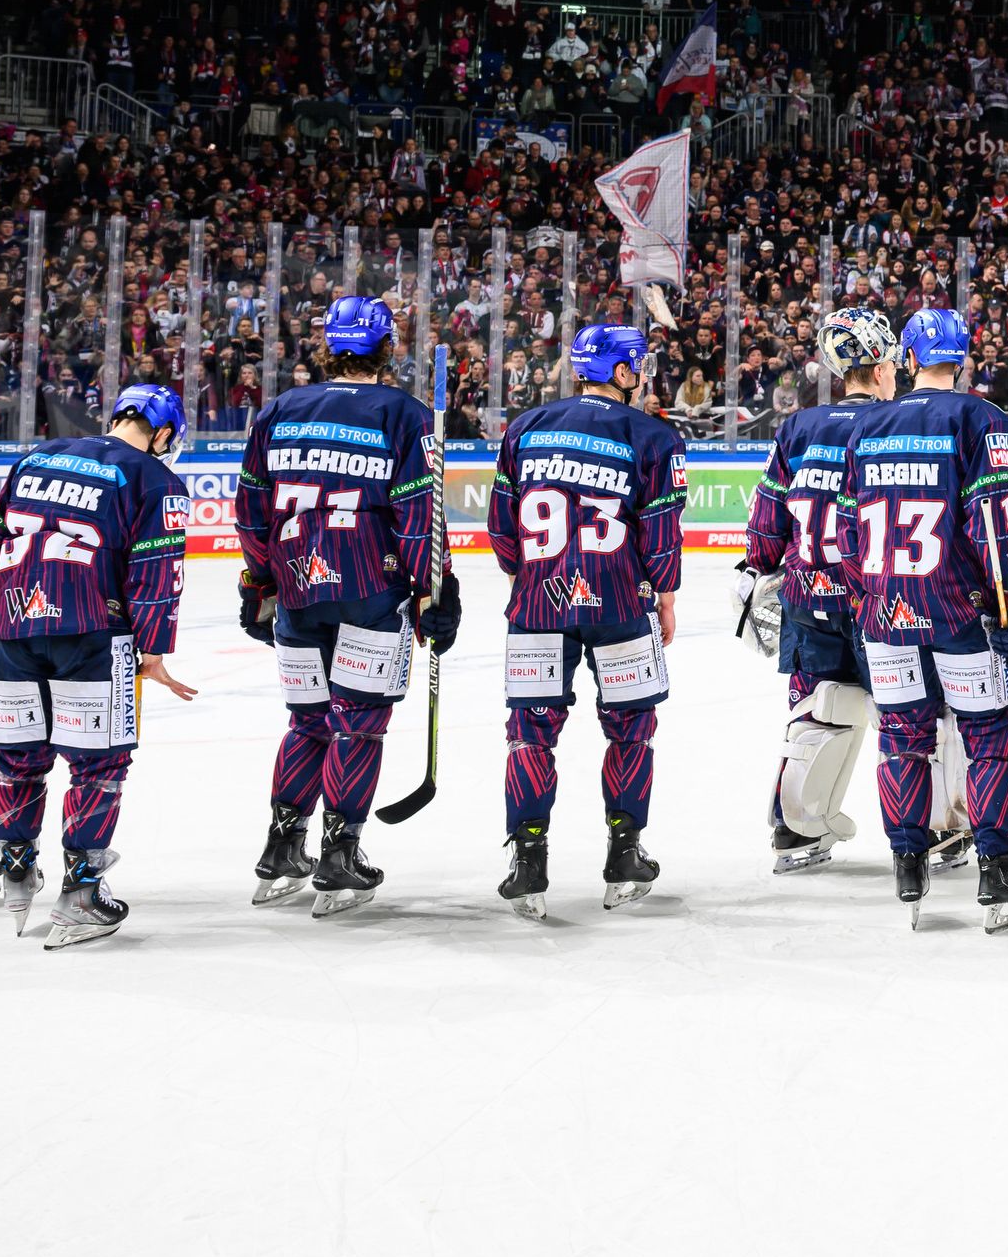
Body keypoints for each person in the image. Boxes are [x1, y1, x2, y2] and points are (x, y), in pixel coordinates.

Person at [231, 294, 455, 916]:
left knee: (307, 722)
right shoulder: (404, 414)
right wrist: (433, 588)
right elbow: (418, 517)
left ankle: (282, 846)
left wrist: (261, 581)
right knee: (357, 723)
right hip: (369, 592)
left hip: (297, 591)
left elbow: (250, 510)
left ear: (329, 346)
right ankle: (339, 853)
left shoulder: (278, 410)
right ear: (387, 348)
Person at [0, 384, 197, 947]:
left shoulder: (35, 458)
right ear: (164, 433)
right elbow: (156, 576)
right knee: (98, 768)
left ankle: (17, 873)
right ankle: (82, 894)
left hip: (15, 636)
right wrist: (152, 652)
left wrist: (14, 615)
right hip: (94, 638)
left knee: (17, 761)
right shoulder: (155, 479)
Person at [836, 304, 1008, 930]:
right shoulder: (982, 417)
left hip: (885, 609)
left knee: (901, 734)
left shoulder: (868, 425)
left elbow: (846, 529)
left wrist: (867, 594)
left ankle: (907, 860)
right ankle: (995, 869)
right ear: (964, 358)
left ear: (908, 358)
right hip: (957, 611)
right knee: (988, 735)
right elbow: (992, 522)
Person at [487, 322, 690, 918]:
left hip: (537, 604)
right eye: (638, 366)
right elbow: (661, 534)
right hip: (621, 604)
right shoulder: (654, 436)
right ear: (621, 372)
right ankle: (624, 855)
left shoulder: (524, 427)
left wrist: (523, 578)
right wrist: (666, 596)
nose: (642, 376)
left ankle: (527, 859)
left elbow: (501, 525)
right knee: (631, 730)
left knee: (529, 733)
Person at [737, 306, 896, 875]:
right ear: (881, 368)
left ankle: (794, 830)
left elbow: (767, 514)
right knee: (915, 714)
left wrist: (756, 568)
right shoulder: (897, 423)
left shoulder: (799, 427)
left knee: (814, 710)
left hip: (808, 593)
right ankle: (935, 830)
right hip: (882, 598)